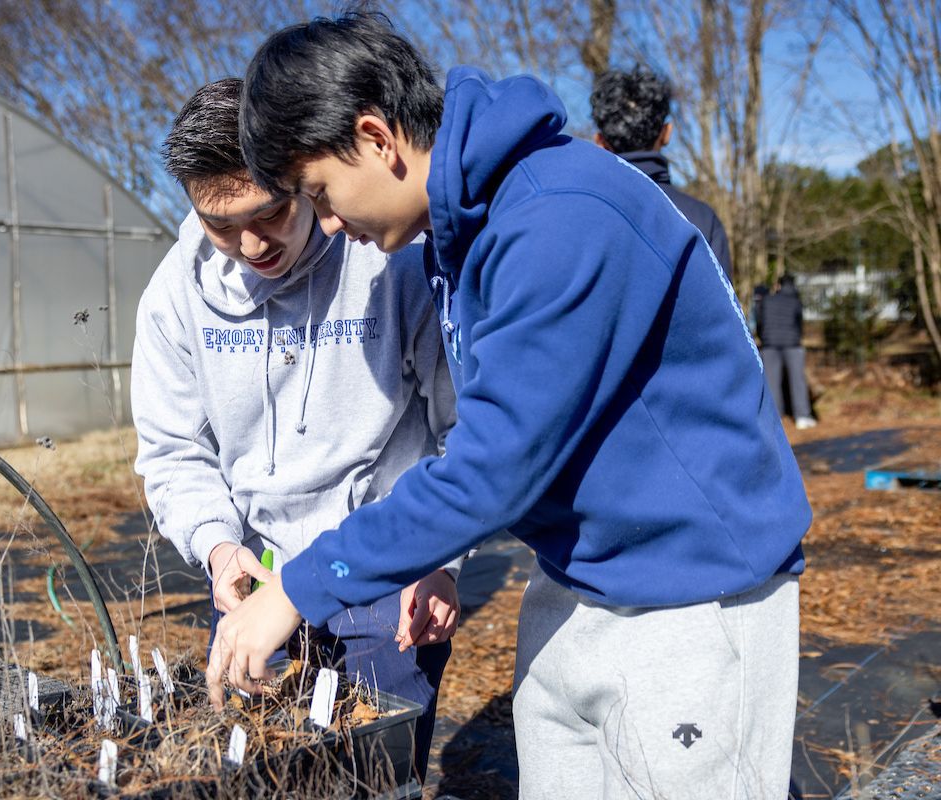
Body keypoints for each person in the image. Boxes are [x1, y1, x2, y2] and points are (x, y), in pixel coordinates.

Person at [208, 13, 812, 798]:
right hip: (581, 578)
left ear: (377, 139)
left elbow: (494, 465)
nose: (330, 226)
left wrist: (298, 587)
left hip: (691, 594)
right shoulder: (462, 230)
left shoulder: (558, 217)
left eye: (322, 194)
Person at [130, 77, 461, 779]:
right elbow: (173, 451)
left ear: (303, 177)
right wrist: (219, 551)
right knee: (268, 778)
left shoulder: (390, 255)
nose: (250, 244)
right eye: (220, 225)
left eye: (270, 212)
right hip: (255, 579)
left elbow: (458, 424)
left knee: (374, 778)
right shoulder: (174, 295)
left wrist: (440, 559)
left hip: (384, 574)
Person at [590, 65, 733, 281]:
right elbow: (724, 311)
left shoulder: (579, 217)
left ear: (599, 142)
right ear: (667, 133)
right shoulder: (703, 221)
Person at [759, 274, 816, 429]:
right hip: (792, 344)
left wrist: (764, 338)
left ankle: (775, 418)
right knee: (798, 380)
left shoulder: (767, 300)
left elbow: (760, 322)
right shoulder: (796, 301)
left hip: (770, 344)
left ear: (779, 285)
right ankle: (802, 416)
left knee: (772, 382)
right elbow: (799, 324)